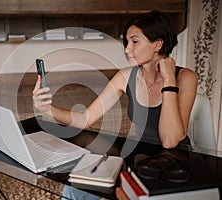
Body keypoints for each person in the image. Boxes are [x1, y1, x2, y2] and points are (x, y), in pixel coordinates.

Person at [32, 10, 197, 149]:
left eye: (135, 42)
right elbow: (85, 119)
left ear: (157, 45)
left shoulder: (185, 78)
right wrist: (48, 109)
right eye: (127, 42)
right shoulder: (125, 77)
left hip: (178, 161)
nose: (127, 49)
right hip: (142, 156)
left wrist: (168, 80)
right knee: (76, 184)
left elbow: (170, 141)